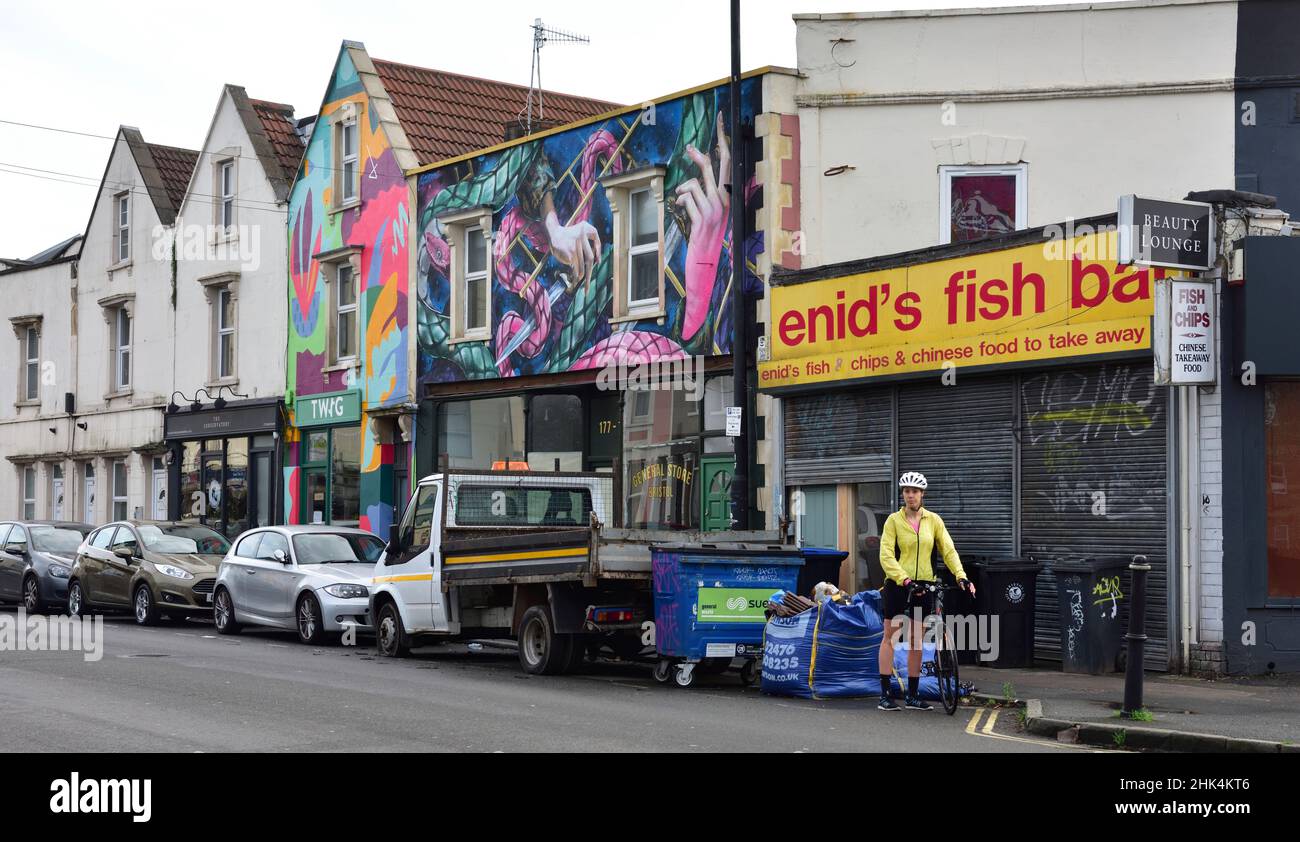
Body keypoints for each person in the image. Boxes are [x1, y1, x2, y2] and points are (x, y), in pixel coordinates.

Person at [876, 471, 975, 711]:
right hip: (899, 584)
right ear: (903, 494)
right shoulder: (893, 521)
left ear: (922, 495)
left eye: (915, 492)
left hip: (926, 584)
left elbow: (949, 551)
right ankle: (885, 694)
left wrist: (961, 576)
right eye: (907, 491)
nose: (910, 495)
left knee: (916, 641)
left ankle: (911, 695)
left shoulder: (934, 521)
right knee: (890, 636)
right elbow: (886, 555)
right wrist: (905, 580)